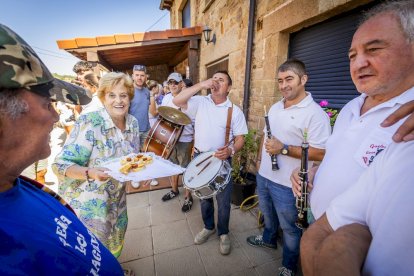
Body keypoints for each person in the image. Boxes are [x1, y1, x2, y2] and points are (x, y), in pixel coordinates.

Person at [295, 1, 414, 273]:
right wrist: (315, 172)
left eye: (373, 49)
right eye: (352, 55)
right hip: (318, 221)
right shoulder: (351, 106)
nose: (359, 63)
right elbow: (336, 155)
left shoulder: (410, 117)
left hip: (360, 255)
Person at [0, 24, 123, 274]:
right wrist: (90, 173)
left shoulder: (18, 185)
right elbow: (63, 165)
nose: (56, 117)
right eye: (48, 104)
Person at [245, 59, 330, 276]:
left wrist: (283, 149)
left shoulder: (315, 114)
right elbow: (266, 137)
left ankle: (289, 266)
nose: (283, 85)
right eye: (280, 81)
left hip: (287, 185)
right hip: (264, 176)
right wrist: (258, 162)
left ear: (303, 79)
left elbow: (322, 152)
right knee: (267, 215)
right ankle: (268, 240)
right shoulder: (275, 106)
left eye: (289, 79)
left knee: (291, 228)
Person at [53, 72, 140, 258]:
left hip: (117, 199)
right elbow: (60, 165)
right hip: (89, 204)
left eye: (123, 95)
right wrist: (90, 172)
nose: (119, 101)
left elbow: (131, 160)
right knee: (93, 251)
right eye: (112, 95)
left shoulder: (133, 123)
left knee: (116, 238)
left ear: (129, 97)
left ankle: (114, 270)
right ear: (103, 98)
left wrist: (139, 172)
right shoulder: (91, 122)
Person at [302, 141, 414, 275]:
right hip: (320, 216)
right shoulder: (404, 150)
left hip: (335, 223)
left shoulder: (402, 133)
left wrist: (285, 149)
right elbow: (332, 156)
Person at [173, 70, 248, 255]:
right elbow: (177, 101)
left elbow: (240, 138)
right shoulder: (201, 102)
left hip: (222, 160)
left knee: (223, 201)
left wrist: (231, 150)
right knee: (204, 197)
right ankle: (208, 227)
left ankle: (223, 232)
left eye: (221, 80)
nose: (216, 82)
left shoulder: (234, 111)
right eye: (213, 79)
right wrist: (200, 85)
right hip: (199, 157)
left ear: (228, 87)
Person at [160, 73, 195, 212]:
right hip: (170, 139)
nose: (173, 85)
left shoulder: (190, 99)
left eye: (176, 82)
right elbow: (163, 117)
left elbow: (196, 123)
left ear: (181, 84)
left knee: (186, 168)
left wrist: (194, 143)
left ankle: (188, 197)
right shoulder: (167, 98)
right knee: (171, 166)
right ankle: (174, 190)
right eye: (170, 82)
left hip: (185, 140)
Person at [129, 65, 157, 150]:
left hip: (146, 130)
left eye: (142, 75)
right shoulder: (128, 91)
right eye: (137, 75)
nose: (139, 78)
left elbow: (150, 110)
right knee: (134, 157)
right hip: (133, 131)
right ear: (133, 76)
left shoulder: (147, 92)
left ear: (146, 77)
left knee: (147, 157)